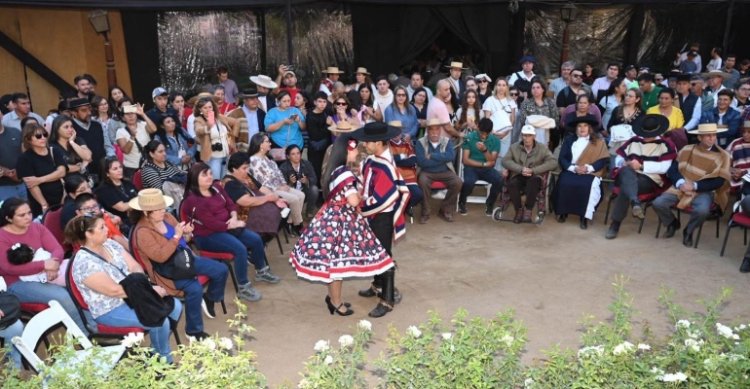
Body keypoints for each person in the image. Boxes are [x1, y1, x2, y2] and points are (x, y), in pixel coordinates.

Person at [290, 136, 395, 316]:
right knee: (336, 265)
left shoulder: (333, 170)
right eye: (354, 149)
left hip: (330, 218)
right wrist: (363, 196)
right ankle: (337, 303)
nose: (357, 152)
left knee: (332, 262)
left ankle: (333, 299)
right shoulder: (345, 173)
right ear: (346, 151)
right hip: (340, 222)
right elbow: (353, 200)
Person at [66, 213, 182, 362]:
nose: (107, 229)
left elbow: (135, 266)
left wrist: (144, 288)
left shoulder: (110, 244)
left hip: (134, 295)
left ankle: (156, 350)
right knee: (159, 320)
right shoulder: (84, 264)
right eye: (102, 227)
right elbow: (115, 291)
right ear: (88, 234)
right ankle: (164, 360)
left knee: (176, 307)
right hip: (111, 308)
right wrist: (150, 292)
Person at [128, 188, 227, 339]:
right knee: (194, 289)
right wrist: (176, 236)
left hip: (184, 259)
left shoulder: (167, 217)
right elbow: (160, 257)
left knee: (221, 269)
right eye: (158, 209)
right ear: (146, 212)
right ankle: (193, 331)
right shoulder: (142, 232)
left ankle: (210, 298)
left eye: (163, 206)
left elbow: (183, 242)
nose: (164, 210)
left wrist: (186, 234)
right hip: (167, 271)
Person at [182, 163, 281, 296]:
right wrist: (231, 225)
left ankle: (261, 271)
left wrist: (234, 217)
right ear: (194, 178)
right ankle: (243, 287)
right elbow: (211, 223)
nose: (209, 177)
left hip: (227, 226)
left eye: (210, 173)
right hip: (206, 235)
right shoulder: (193, 200)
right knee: (240, 248)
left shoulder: (216, 188)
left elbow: (230, 203)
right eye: (204, 175)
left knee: (256, 239)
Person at [0, 198, 91, 335]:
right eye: (22, 215)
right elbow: (9, 268)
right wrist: (44, 265)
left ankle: (94, 324)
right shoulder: (2, 236)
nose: (28, 217)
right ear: (8, 218)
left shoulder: (36, 227)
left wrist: (53, 265)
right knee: (62, 296)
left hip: (48, 272)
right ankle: (85, 334)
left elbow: (57, 249)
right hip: (16, 283)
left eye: (29, 213)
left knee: (82, 282)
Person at [352, 122, 410, 318]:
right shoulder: (373, 159)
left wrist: (362, 205)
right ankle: (377, 285)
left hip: (382, 216)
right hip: (374, 215)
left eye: (368, 142)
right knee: (375, 251)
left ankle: (387, 300)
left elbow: (383, 198)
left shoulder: (384, 165)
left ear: (378, 143)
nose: (365, 145)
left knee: (383, 255)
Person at [653, 123, 731, 247]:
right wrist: (681, 183)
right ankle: (672, 223)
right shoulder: (687, 149)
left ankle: (688, 231)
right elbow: (673, 169)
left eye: (714, 135)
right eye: (708, 136)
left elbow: (719, 182)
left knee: (702, 211)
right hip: (681, 186)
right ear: (699, 137)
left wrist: (694, 186)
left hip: (704, 190)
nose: (712, 138)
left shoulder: (723, 156)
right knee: (658, 203)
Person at [553, 115, 610, 229]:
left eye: (585, 126)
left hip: (590, 172)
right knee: (564, 182)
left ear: (590, 128)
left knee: (586, 186)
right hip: (572, 170)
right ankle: (563, 213)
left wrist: (588, 168)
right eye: (579, 126)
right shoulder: (569, 140)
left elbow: (603, 160)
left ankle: (584, 217)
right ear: (576, 128)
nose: (582, 128)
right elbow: (562, 158)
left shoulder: (598, 142)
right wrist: (573, 168)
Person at [248, 133, 306, 235]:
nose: (270, 143)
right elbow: (262, 181)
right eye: (267, 141)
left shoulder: (268, 158)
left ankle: (289, 222)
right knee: (294, 199)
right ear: (260, 144)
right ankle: (298, 225)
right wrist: (278, 187)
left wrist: (284, 184)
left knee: (301, 195)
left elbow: (278, 173)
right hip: (269, 191)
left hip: (279, 187)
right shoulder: (254, 161)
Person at [502, 125, 557, 223]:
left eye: (529, 136)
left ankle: (528, 210)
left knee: (534, 182)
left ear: (534, 136)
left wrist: (534, 170)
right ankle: (518, 210)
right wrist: (520, 169)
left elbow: (553, 162)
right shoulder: (514, 147)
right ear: (521, 136)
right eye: (524, 136)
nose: (526, 138)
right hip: (519, 174)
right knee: (512, 184)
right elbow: (505, 161)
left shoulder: (542, 148)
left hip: (535, 175)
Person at [223, 152, 286, 237]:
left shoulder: (247, 175)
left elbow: (261, 188)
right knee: (272, 213)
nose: (247, 170)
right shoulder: (229, 183)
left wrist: (275, 198)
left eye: (248, 167)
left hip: (256, 203)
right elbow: (245, 201)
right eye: (244, 168)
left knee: (284, 207)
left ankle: (266, 236)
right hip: (243, 213)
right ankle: (262, 239)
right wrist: (268, 198)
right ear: (234, 169)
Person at [415, 119, 462, 223]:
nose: (434, 133)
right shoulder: (420, 142)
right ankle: (425, 212)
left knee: (458, 182)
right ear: (427, 131)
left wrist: (432, 156)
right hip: (427, 172)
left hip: (445, 171)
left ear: (440, 130)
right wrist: (442, 159)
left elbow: (451, 156)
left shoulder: (446, 141)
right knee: (422, 181)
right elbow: (422, 162)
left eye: (437, 130)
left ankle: (446, 209)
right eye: (432, 130)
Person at [16, 123, 66, 217]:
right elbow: (32, 185)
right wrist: (44, 205)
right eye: (38, 136)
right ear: (28, 139)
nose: (43, 138)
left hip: (62, 197)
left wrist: (39, 180)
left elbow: (62, 172)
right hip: (40, 202)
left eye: (45, 134)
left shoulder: (54, 151)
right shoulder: (24, 158)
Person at [458, 118, 503, 216]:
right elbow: (465, 160)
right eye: (482, 132)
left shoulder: (495, 140)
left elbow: (492, 161)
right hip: (471, 168)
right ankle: (462, 201)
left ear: (490, 132)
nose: (483, 136)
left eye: (486, 133)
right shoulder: (469, 137)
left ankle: (490, 203)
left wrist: (485, 150)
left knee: (499, 179)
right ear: (477, 127)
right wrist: (483, 164)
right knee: (468, 182)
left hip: (487, 169)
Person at [193, 97, 238, 179]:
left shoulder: (219, 117)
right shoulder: (198, 120)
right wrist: (208, 126)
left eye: (210, 107)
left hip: (226, 155)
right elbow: (198, 130)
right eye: (205, 108)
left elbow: (236, 122)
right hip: (213, 157)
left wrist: (232, 140)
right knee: (215, 181)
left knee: (225, 180)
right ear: (200, 110)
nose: (208, 109)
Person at [116, 101, 157, 179]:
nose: (131, 116)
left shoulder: (143, 124)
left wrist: (142, 114)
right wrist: (132, 137)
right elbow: (126, 150)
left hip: (149, 165)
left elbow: (154, 129)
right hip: (132, 169)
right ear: (123, 118)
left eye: (132, 113)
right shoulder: (120, 131)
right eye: (127, 114)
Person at [140, 140, 186, 209]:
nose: (164, 153)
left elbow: (180, 173)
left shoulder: (168, 163)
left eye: (164, 151)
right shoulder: (148, 170)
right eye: (160, 152)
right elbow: (161, 192)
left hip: (179, 195)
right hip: (164, 204)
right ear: (151, 154)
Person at [388, 127, 423, 217]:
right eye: (394, 131)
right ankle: (400, 212)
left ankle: (405, 208)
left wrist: (397, 160)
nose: (396, 134)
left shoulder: (407, 144)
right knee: (394, 195)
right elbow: (389, 160)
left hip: (409, 177)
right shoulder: (387, 145)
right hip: (394, 177)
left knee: (418, 195)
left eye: (398, 131)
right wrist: (403, 157)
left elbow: (413, 161)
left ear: (401, 132)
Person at [95, 157, 139, 226]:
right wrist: (136, 202)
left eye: (120, 167)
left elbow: (139, 197)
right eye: (115, 169)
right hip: (121, 223)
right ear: (107, 173)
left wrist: (131, 205)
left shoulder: (127, 182)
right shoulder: (104, 189)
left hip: (137, 216)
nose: (119, 170)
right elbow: (122, 207)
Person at [280, 145, 319, 218]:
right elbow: (281, 187)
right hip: (292, 193)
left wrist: (307, 181)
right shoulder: (283, 167)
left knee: (314, 189)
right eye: (293, 154)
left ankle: (309, 212)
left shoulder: (306, 163)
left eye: (298, 153)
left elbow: (314, 179)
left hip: (304, 191)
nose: (296, 156)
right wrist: (290, 183)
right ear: (288, 156)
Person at [49, 115, 93, 179]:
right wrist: (81, 167)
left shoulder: (78, 140)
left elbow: (88, 157)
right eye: (66, 127)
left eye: (71, 126)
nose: (70, 129)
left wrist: (72, 142)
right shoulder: (52, 146)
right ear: (57, 129)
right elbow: (60, 168)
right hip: (68, 183)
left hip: (85, 180)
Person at [519, 79, 559, 147]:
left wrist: (536, 121)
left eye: (538, 87)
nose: (535, 89)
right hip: (530, 135)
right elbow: (523, 120)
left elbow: (555, 120)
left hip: (548, 135)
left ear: (543, 89)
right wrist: (544, 122)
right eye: (533, 88)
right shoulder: (526, 103)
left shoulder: (550, 102)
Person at [305, 92, 332, 188]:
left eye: (324, 102)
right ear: (315, 102)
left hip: (326, 147)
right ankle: (316, 195)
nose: (322, 104)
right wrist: (327, 125)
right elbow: (315, 135)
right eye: (320, 101)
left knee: (326, 170)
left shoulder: (326, 112)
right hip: (316, 149)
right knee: (316, 171)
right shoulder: (310, 116)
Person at [0, 110, 25, 201]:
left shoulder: (15, 132)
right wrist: (6, 172)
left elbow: (25, 154)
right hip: (3, 187)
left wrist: (19, 172)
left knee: (28, 213)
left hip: (24, 183)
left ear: (2, 115)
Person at [726, 121, 750, 191]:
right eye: (744, 132)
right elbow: (724, 162)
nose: (745, 134)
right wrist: (732, 170)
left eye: (749, 132)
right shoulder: (735, 143)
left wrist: (745, 172)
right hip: (738, 179)